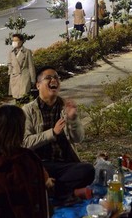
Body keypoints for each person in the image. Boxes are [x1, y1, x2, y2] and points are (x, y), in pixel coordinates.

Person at [22, 67, 95, 201]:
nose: (54, 80)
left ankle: (51, 191)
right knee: (26, 174)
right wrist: (52, 133)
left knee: (88, 170)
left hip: (65, 165)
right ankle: (65, 192)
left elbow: (78, 139)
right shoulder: (28, 110)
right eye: (48, 78)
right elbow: (25, 142)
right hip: (40, 165)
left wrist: (73, 119)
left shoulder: (65, 107)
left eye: (56, 77)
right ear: (38, 85)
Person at [7, 33, 36, 102]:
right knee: (16, 97)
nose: (14, 43)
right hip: (14, 76)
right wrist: (10, 72)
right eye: (13, 41)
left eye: (16, 41)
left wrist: (33, 79)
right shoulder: (11, 52)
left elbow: (31, 66)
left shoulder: (27, 52)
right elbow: (9, 63)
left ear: (21, 41)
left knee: (24, 96)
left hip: (24, 76)